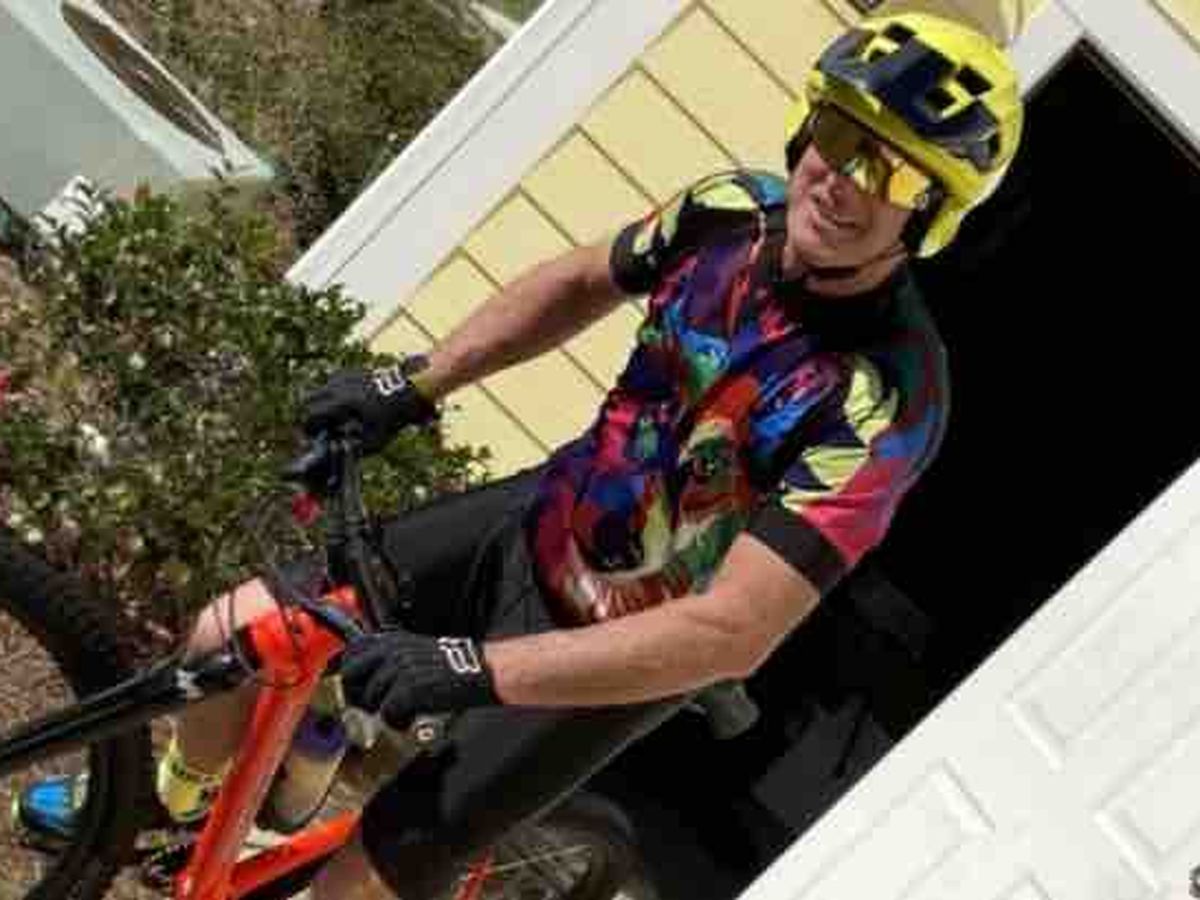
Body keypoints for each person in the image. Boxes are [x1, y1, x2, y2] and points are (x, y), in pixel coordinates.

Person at [16, 12, 1023, 900]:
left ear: (929, 215)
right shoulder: (731, 211)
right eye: (840, 135)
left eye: (891, 171)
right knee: (227, 635)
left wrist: (474, 667)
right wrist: (413, 384)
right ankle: (168, 804)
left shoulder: (889, 399)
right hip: (534, 522)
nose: (842, 181)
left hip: (617, 654)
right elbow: (579, 282)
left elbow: (732, 630)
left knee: (358, 881)